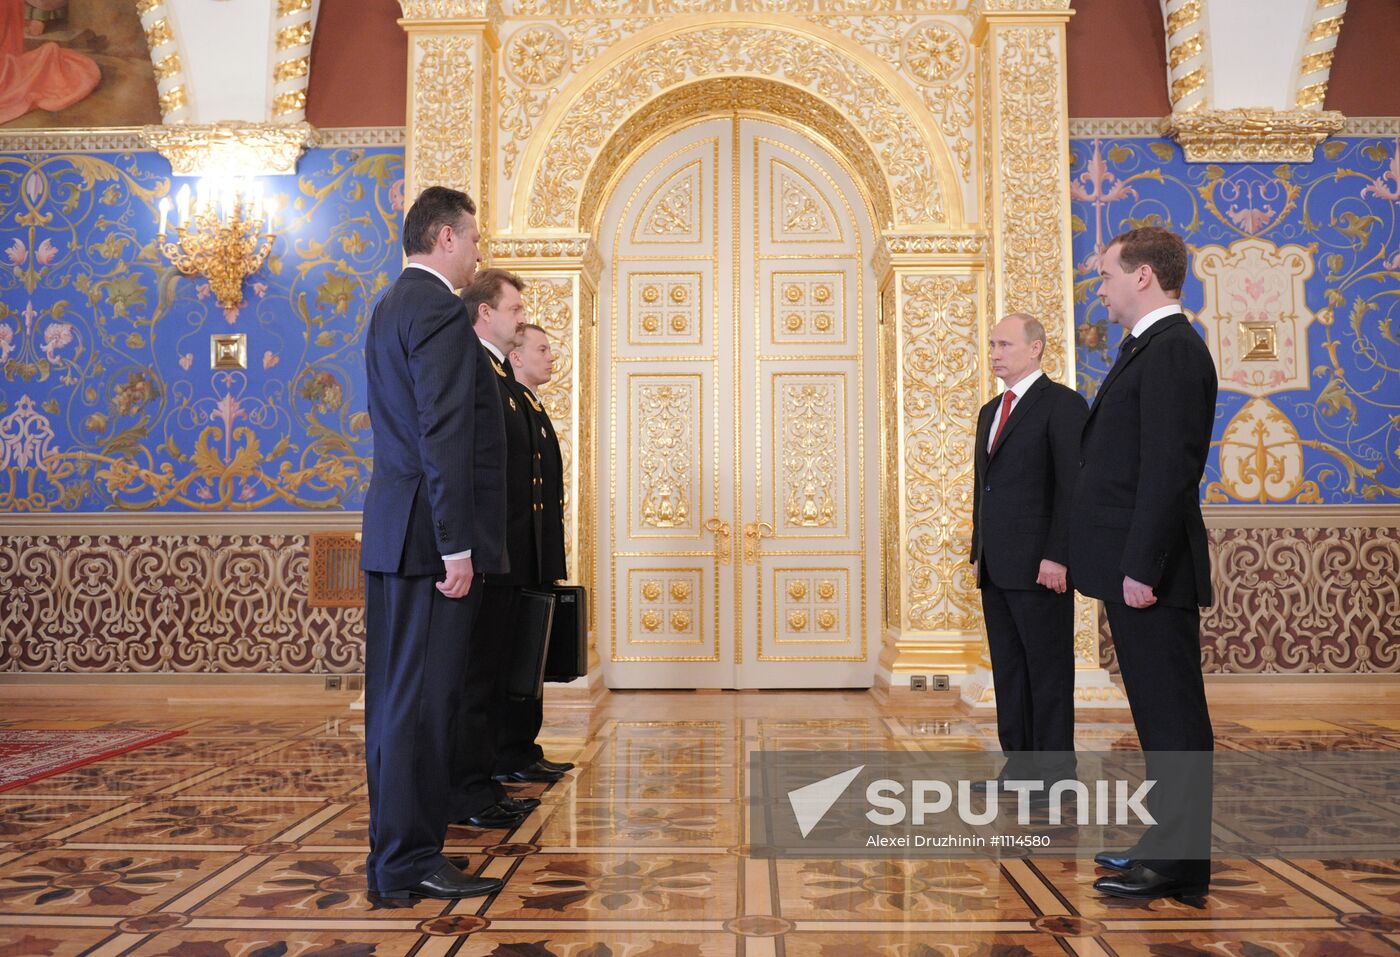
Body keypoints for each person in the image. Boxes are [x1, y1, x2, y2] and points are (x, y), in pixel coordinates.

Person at [360, 186, 505, 901]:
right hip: (429, 540)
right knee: (422, 706)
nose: (480, 250)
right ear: (445, 237)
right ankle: (407, 860)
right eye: (474, 237)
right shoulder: (441, 310)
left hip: (393, 527)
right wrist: (457, 546)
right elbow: (442, 432)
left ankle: (394, 856)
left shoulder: (389, 306)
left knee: (394, 703)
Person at [1069, 226, 1217, 904]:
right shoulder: (1151, 349)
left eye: (1105, 276)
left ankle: (1181, 862)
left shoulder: (1175, 352)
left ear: (1144, 277)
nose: (1098, 290)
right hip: (1133, 567)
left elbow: (1167, 470)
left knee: (1174, 719)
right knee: (1158, 720)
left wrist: (1143, 567)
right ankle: (1164, 846)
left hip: (1150, 572)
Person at [452, 269, 559, 835]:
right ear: (485, 314)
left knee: (496, 674)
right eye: (516, 309)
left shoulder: (501, 381)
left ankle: (484, 781)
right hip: (483, 557)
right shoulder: (478, 375)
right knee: (478, 679)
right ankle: (472, 787)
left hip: (502, 556)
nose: (523, 317)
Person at [970, 313, 1087, 784]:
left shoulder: (1062, 405)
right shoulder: (990, 410)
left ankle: (1056, 774)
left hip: (1042, 567)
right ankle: (1018, 767)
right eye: (992, 344)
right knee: (1010, 670)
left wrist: (1058, 554)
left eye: (1004, 344)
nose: (995, 353)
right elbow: (987, 489)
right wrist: (979, 550)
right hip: (997, 567)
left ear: (1035, 348)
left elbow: (1072, 488)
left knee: (1048, 671)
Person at [497, 323, 575, 780]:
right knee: (513, 661)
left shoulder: (531, 407)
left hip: (536, 557)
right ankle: (509, 753)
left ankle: (524, 748)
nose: (552, 358)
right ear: (518, 356)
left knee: (531, 658)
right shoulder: (511, 405)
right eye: (542, 349)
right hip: (516, 558)